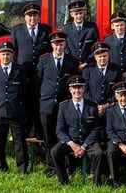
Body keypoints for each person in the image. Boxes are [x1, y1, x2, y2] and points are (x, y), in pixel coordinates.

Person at [36, 31, 79, 177]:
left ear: (65, 45)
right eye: (55, 44)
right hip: (47, 104)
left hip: (64, 105)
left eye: (61, 44)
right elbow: (38, 81)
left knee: (65, 136)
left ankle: (67, 165)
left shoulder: (72, 61)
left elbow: (74, 83)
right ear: (51, 45)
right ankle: (52, 166)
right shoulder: (43, 60)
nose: (58, 47)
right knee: (48, 136)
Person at [51, 75, 104, 186]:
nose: (77, 91)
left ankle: (97, 183)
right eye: (74, 88)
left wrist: (84, 146)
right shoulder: (63, 106)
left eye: (79, 87)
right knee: (55, 152)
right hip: (71, 140)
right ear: (70, 90)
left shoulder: (92, 106)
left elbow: (96, 129)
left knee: (98, 153)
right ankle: (63, 181)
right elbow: (59, 130)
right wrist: (73, 145)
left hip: (88, 141)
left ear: (84, 89)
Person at [0, 41, 29, 174]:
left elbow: (25, 90)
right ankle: (1, 167)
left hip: (16, 111)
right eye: (3, 54)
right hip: (0, 111)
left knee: (19, 141)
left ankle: (22, 168)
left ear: (12, 55)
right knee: (0, 141)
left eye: (8, 54)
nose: (5, 57)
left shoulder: (20, 70)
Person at [10, 2, 52, 137]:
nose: (32, 18)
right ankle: (26, 132)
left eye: (35, 15)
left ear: (39, 17)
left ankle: (40, 132)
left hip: (42, 74)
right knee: (26, 102)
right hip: (24, 75)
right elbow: (13, 53)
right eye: (29, 15)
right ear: (25, 17)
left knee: (40, 103)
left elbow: (51, 52)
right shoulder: (17, 30)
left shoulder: (46, 30)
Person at [82, 42, 122, 117]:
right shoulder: (88, 70)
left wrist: (107, 105)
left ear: (108, 55)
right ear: (95, 57)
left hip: (111, 108)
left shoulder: (116, 69)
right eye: (100, 56)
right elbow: (85, 90)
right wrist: (96, 105)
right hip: (92, 108)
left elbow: (118, 90)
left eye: (105, 56)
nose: (102, 58)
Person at [61, 0, 100, 70]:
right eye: (76, 14)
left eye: (81, 13)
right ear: (71, 14)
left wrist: (86, 62)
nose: (79, 16)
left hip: (89, 66)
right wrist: (74, 63)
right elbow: (65, 48)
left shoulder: (92, 27)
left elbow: (96, 47)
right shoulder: (66, 29)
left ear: (84, 12)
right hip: (71, 66)